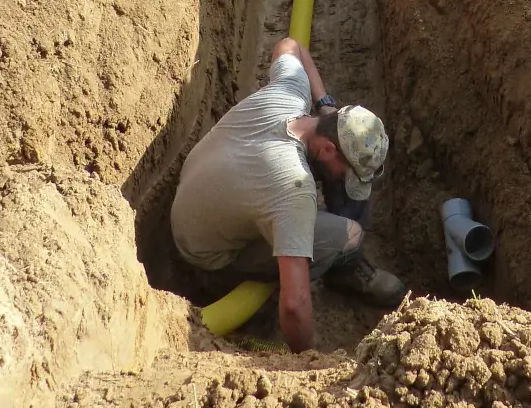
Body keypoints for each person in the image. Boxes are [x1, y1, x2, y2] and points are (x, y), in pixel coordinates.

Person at [170, 35, 406, 352]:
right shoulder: (294, 188)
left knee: (332, 188)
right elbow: (294, 305)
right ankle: (344, 270)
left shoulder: (290, 94)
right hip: (209, 257)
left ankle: (335, 253)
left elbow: (289, 44)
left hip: (194, 204)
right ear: (326, 147)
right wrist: (307, 361)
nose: (346, 179)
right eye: (348, 170)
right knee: (350, 233)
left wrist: (324, 101)